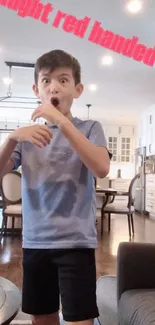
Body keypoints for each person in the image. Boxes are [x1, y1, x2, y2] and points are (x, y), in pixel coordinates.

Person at [0, 49, 111, 325]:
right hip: (35, 242)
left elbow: (101, 167)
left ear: (78, 89)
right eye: (47, 80)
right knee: (42, 319)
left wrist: (61, 120)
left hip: (76, 242)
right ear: (37, 89)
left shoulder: (90, 127)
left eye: (63, 80)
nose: (55, 86)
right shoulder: (26, 137)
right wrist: (12, 139)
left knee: (79, 319)